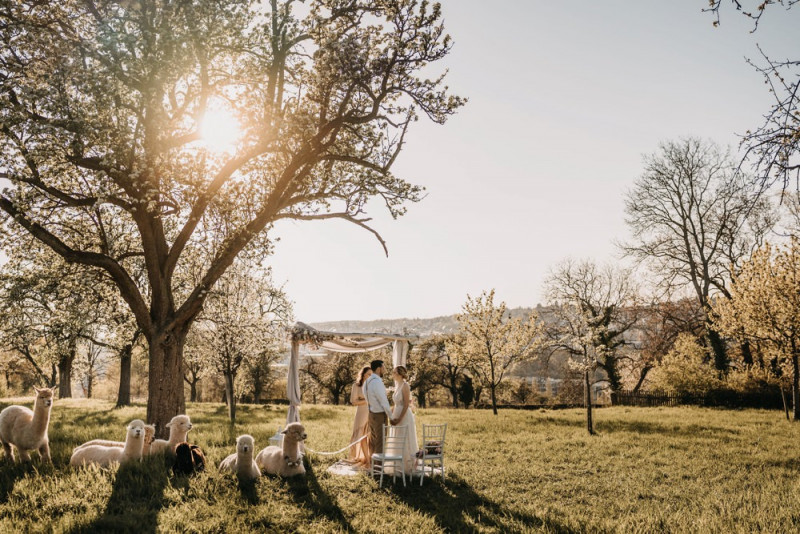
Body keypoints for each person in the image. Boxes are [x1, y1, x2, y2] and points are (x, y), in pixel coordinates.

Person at [388, 365, 419, 474]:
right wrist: (391, 414)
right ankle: (396, 464)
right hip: (396, 413)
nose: (393, 375)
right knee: (396, 438)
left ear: (401, 374)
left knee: (405, 438)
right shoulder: (397, 385)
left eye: (395, 373)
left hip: (404, 415)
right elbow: (396, 403)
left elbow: (406, 404)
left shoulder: (405, 386)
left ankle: (407, 465)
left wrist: (399, 418)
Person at [363, 360, 392, 461]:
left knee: (372, 441)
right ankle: (378, 470)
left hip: (371, 414)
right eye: (383, 368)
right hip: (379, 415)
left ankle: (372, 466)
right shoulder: (377, 382)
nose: (384, 370)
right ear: (379, 369)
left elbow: (368, 398)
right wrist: (391, 416)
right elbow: (384, 401)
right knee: (380, 441)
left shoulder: (366, 382)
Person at [348, 366, 372, 464]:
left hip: (372, 413)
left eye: (372, 375)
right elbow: (353, 401)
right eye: (368, 374)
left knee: (370, 437)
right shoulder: (356, 386)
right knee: (362, 437)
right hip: (361, 414)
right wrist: (367, 400)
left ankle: (368, 458)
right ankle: (367, 459)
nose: (370, 377)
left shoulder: (372, 385)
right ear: (363, 375)